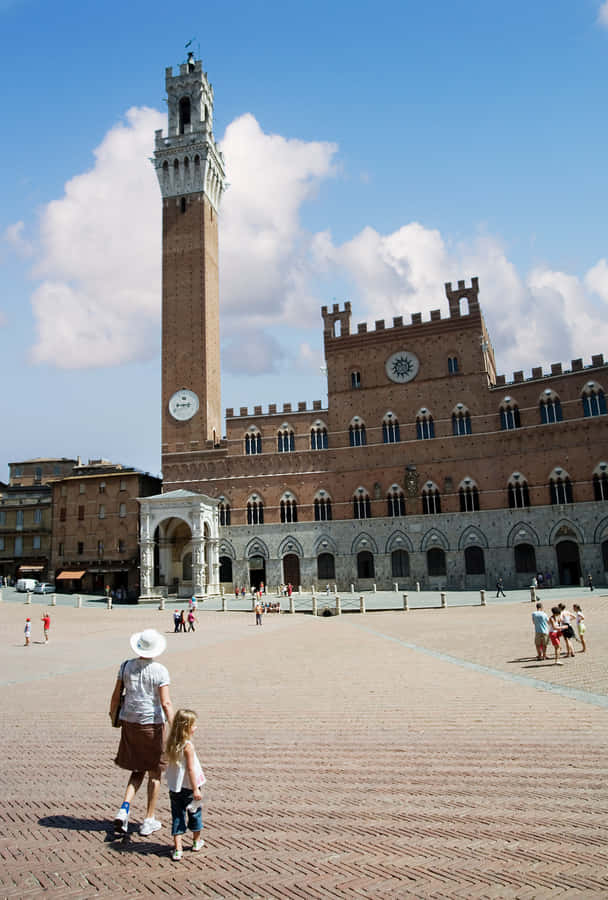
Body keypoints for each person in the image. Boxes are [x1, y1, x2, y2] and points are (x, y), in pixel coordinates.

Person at [110, 628, 174, 837]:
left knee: (137, 769)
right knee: (155, 773)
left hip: (130, 722)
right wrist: (175, 728)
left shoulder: (125, 666)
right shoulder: (160, 670)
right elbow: (165, 702)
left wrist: (113, 717)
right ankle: (148, 819)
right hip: (152, 725)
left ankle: (124, 809)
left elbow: (115, 696)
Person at [165, 708, 206, 861]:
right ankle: (196, 841)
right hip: (189, 787)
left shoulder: (171, 743)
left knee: (177, 816)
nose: (196, 727)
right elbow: (190, 769)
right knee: (195, 814)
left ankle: (178, 849)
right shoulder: (188, 746)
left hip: (175, 787)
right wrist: (196, 789)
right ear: (186, 727)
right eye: (194, 725)